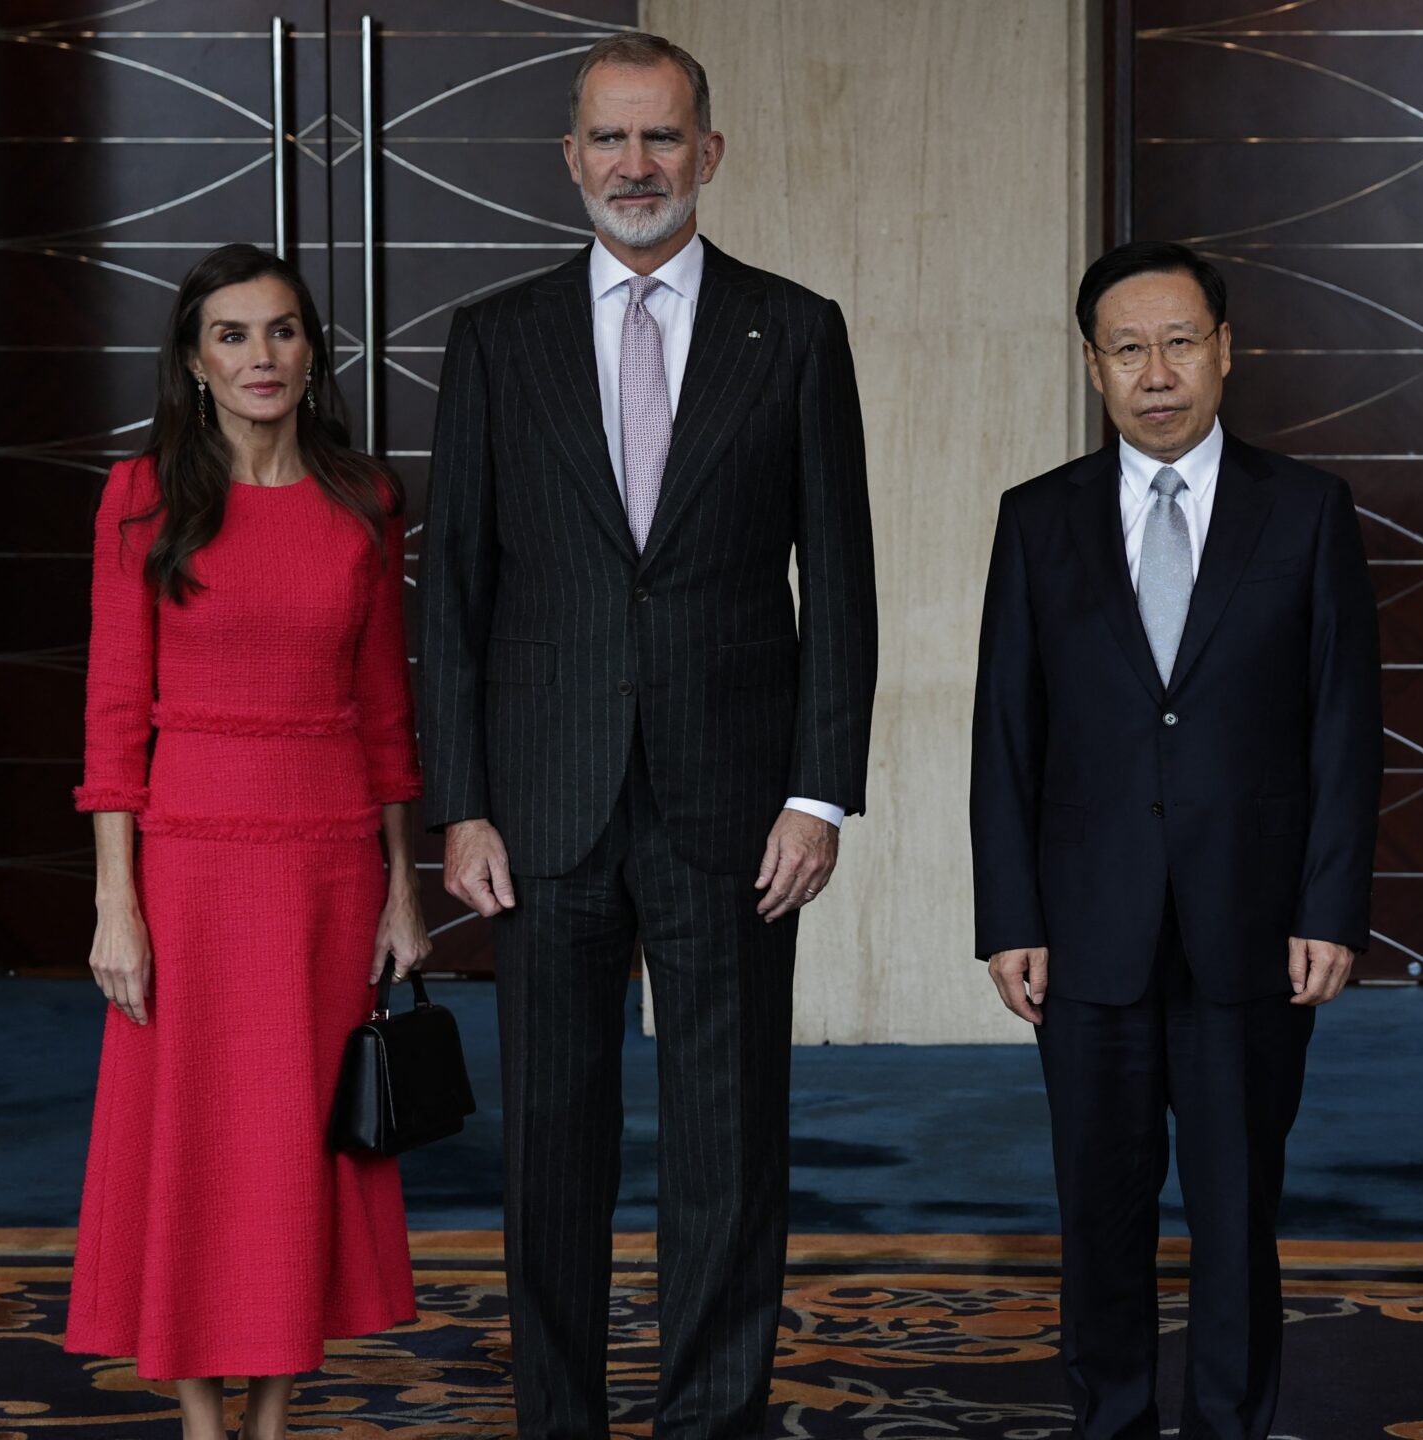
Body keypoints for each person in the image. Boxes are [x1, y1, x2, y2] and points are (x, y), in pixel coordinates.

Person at [414, 32, 877, 1440]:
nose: (635, 166)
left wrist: (822, 796)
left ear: (710, 154)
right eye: (610, 140)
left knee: (728, 1148)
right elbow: (455, 594)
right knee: (552, 1146)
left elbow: (841, 583)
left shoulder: (793, 330)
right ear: (570, 158)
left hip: (737, 809)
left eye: (662, 139)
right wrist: (462, 804)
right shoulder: (494, 339)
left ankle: (711, 1420)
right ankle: (560, 1419)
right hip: (540, 810)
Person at [969, 240, 1383, 1440]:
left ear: (1225, 350)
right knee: (1098, 1206)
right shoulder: (1037, 520)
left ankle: (1229, 1421)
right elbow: (1006, 732)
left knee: (1236, 1205)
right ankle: (1110, 1419)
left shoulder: (1304, 511)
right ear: (1093, 365)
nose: (1158, 372)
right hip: (1086, 925)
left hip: (1252, 928)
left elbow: (1344, 728)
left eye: (1181, 341)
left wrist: (1329, 908)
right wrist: (1010, 921)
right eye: (1128, 348)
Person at [68, 244, 427, 1436]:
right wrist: (116, 903)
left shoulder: (365, 498)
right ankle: (198, 1415)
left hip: (324, 865)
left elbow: (386, 716)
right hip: (188, 865)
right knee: (193, 1137)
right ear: (193, 361)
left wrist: (400, 889)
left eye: (280, 332)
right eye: (231, 335)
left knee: (288, 1146)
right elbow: (113, 718)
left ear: (312, 351)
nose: (259, 356)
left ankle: (268, 1416)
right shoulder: (141, 495)